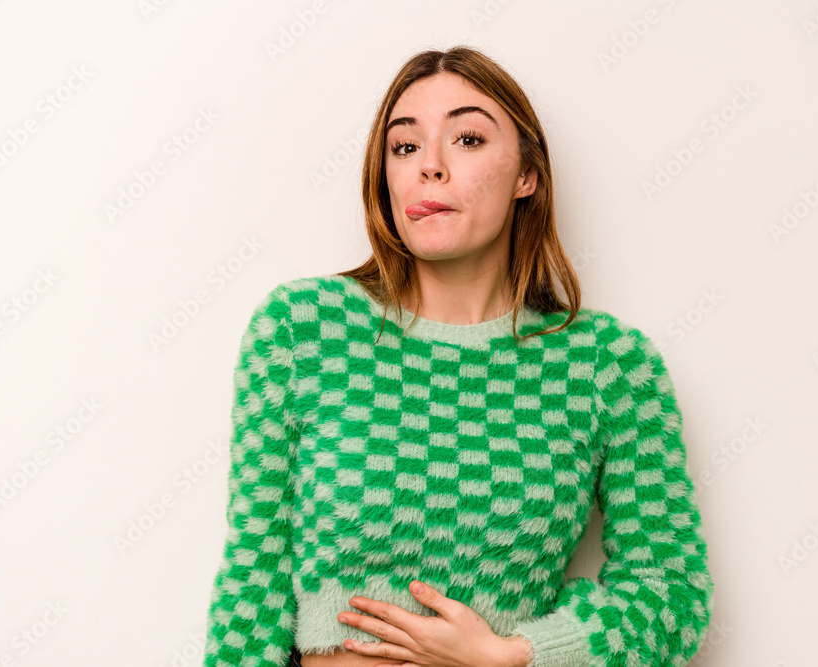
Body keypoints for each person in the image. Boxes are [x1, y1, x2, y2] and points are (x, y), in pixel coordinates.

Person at [202, 45, 714, 667]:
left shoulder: (607, 364)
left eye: (467, 139)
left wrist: (519, 654)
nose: (430, 168)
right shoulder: (303, 328)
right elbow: (251, 585)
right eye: (405, 147)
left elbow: (671, 595)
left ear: (527, 174)